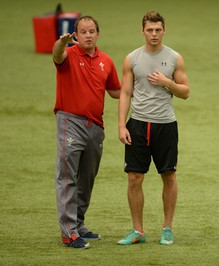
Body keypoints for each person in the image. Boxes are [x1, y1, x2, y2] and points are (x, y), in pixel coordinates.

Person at [117, 11, 189, 245]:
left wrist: (167, 82)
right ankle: (137, 231)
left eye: (158, 30)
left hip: (165, 125)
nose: (154, 34)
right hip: (137, 124)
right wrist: (121, 125)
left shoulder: (175, 58)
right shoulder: (132, 59)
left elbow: (186, 92)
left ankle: (167, 228)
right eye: (150, 30)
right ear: (143, 31)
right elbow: (126, 93)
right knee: (134, 178)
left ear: (164, 30)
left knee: (168, 175)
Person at [52, 15, 121, 249]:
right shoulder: (68, 54)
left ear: (98, 34)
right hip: (70, 123)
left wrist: (142, 87)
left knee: (87, 178)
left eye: (92, 31)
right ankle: (68, 232)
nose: (88, 35)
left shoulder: (106, 61)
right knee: (68, 177)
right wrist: (62, 42)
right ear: (76, 35)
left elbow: (115, 91)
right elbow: (56, 54)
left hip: (96, 127)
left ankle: (78, 224)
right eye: (83, 32)